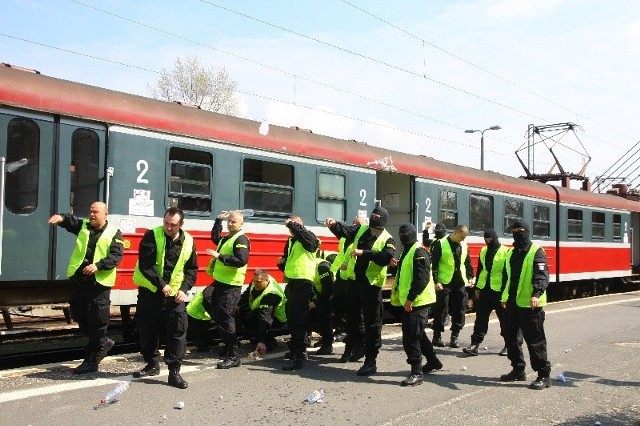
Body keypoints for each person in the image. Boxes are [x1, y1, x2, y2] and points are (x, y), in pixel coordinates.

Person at [48, 202, 123, 374]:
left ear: (105, 214)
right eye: (90, 211)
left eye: (95, 212)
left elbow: (116, 256)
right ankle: (103, 343)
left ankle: (91, 362)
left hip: (99, 284)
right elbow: (70, 221)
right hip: (81, 281)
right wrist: (60, 218)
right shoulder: (84, 226)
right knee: (78, 314)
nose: (92, 214)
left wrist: (99, 265)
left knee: (97, 322)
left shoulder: (114, 233)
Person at [131, 207, 198, 389]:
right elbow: (146, 264)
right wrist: (161, 284)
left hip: (174, 296)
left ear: (181, 225)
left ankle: (174, 372)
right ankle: (152, 364)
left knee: (177, 333)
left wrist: (184, 289)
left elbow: (192, 270)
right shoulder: (152, 235)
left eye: (173, 225)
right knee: (147, 330)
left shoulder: (189, 241)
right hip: (151, 292)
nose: (168, 227)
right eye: (166, 223)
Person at [325, 207, 395, 376]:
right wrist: (334, 225)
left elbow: (387, 257)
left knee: (372, 324)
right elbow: (346, 231)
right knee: (351, 319)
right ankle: (352, 348)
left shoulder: (387, 238)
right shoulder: (362, 229)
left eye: (376, 228)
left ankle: (371, 361)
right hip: (354, 282)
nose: (372, 230)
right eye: (372, 226)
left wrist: (364, 253)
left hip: (371, 286)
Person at [499, 219, 552, 390]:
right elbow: (507, 277)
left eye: (521, 230)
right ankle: (518, 369)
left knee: (535, 340)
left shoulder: (536, 252)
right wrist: (504, 297)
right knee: (510, 338)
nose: (518, 233)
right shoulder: (510, 253)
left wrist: (536, 293)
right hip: (513, 302)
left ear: (527, 231)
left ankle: (543, 375)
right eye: (515, 230)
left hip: (531, 304)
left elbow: (541, 275)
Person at [391, 223, 442, 386]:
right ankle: (433, 361)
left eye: (405, 233)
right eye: (401, 233)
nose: (403, 235)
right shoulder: (406, 252)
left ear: (412, 234)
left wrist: (410, 299)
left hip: (418, 301)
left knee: (411, 337)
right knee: (418, 334)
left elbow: (422, 278)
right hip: (412, 300)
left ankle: (416, 373)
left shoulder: (418, 251)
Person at [206, 210, 250, 369]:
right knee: (218, 315)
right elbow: (215, 238)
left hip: (231, 285)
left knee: (226, 319)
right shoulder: (228, 238)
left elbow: (241, 260)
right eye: (229, 221)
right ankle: (228, 346)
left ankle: (233, 356)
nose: (230, 223)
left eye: (234, 222)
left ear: (241, 224)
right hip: (220, 282)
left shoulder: (241, 239)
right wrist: (218, 220)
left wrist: (219, 257)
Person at [277, 215, 319, 370]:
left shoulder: (310, 237)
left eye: (295, 225)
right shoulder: (290, 241)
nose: (291, 228)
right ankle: (298, 351)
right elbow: (290, 261)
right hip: (293, 280)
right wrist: (281, 264)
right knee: (292, 317)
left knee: (298, 319)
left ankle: (298, 356)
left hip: (304, 280)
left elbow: (311, 244)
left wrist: (294, 225)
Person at [463, 229, 509, 356]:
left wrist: (507, 293)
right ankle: (475, 345)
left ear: (495, 238)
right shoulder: (483, 250)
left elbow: (508, 274)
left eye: (490, 239)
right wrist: (477, 288)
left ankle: (509, 345)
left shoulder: (506, 251)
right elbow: (481, 270)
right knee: (481, 319)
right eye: (486, 239)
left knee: (505, 319)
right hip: (485, 290)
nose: (487, 241)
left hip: (499, 291)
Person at [430, 224, 474, 348]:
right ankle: (437, 336)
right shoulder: (441, 243)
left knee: (460, 309)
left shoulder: (464, 245)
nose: (463, 240)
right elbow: (434, 264)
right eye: (461, 237)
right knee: (440, 309)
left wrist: (470, 277)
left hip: (460, 281)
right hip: (444, 282)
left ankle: (455, 336)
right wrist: (436, 280)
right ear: (455, 233)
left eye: (464, 237)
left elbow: (467, 262)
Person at [236, 269, 287, 355]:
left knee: (252, 318)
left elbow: (265, 319)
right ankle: (254, 335)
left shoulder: (271, 294)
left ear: (266, 281)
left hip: (277, 318)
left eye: (258, 282)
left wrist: (261, 341)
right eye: (254, 281)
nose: (255, 284)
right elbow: (247, 294)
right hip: (261, 311)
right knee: (241, 310)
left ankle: (269, 342)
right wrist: (238, 305)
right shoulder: (256, 280)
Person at [308, 253, 335, 355]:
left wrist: (316, 302)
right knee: (311, 316)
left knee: (324, 317)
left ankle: (328, 344)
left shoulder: (322, 266)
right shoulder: (308, 265)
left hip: (333, 296)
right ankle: (326, 338)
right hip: (322, 296)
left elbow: (328, 288)